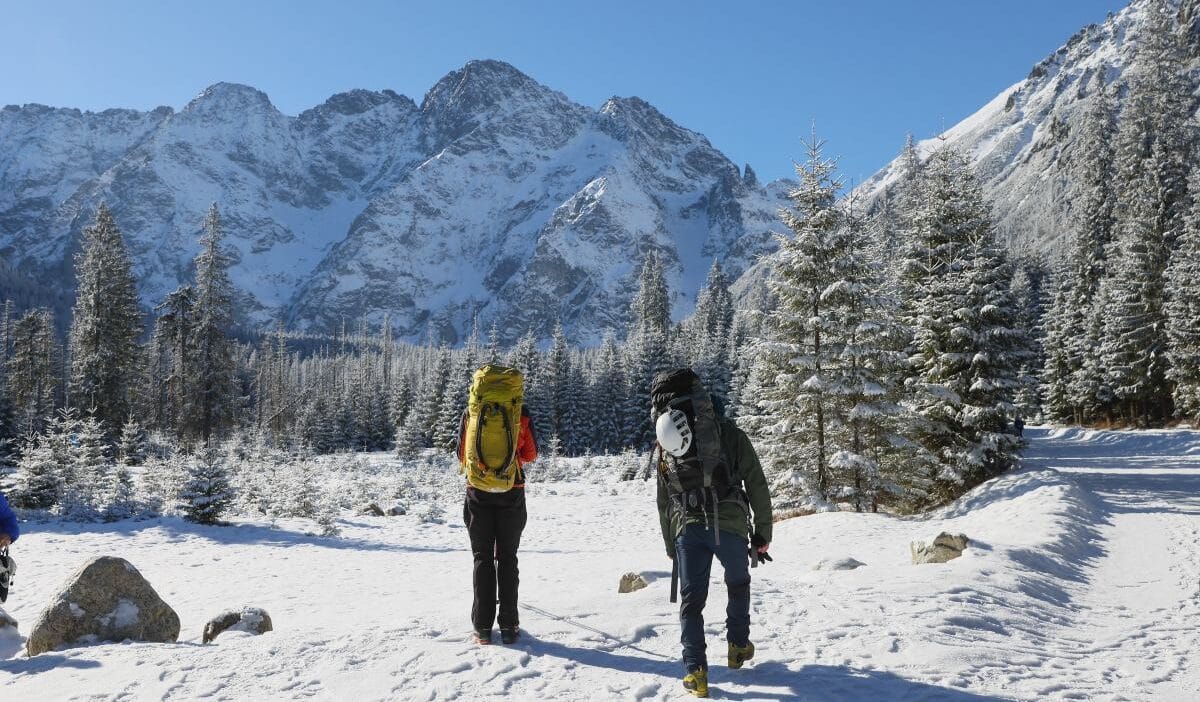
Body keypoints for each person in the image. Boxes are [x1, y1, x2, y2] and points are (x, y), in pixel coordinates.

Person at [652, 368, 773, 698]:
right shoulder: (730, 434)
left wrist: (670, 543)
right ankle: (737, 647)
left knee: (692, 603)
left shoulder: (668, 443)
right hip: (730, 525)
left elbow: (664, 500)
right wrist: (762, 533)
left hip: (687, 530)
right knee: (738, 584)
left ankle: (696, 673)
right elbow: (757, 483)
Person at [457, 364, 538, 646]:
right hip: (511, 492)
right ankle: (509, 626)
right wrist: (507, 465)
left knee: (482, 557)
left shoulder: (472, 412)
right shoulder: (520, 413)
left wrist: (485, 469)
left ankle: (481, 628)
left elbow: (462, 455)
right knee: (507, 557)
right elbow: (530, 454)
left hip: (477, 493)